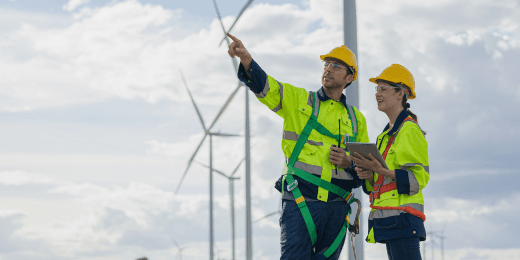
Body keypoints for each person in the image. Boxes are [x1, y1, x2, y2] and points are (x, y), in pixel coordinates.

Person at [226, 33, 369, 259]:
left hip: (337, 207)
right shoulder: (300, 100)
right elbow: (268, 87)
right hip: (301, 200)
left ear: (350, 77)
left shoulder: (356, 119)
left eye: (336, 66)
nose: (328, 69)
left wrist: (349, 161)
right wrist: (246, 60)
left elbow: (366, 170)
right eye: (326, 64)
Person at [350, 64, 429, 260]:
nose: (378, 94)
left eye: (383, 88)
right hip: (389, 221)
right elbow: (376, 184)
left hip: (403, 219)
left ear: (401, 93)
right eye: (377, 89)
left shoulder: (409, 130)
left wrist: (380, 170)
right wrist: (368, 174)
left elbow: (419, 179)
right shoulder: (383, 137)